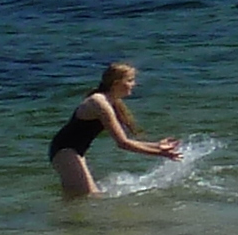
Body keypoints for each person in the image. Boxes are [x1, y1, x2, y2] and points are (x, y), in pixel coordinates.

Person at [48, 61, 181, 198]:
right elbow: (122, 143)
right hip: (65, 151)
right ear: (116, 83)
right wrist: (160, 153)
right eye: (130, 80)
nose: (134, 84)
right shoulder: (99, 103)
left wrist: (157, 145)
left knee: (76, 197)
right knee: (91, 196)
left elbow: (126, 140)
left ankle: (65, 219)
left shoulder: (110, 101)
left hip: (72, 150)